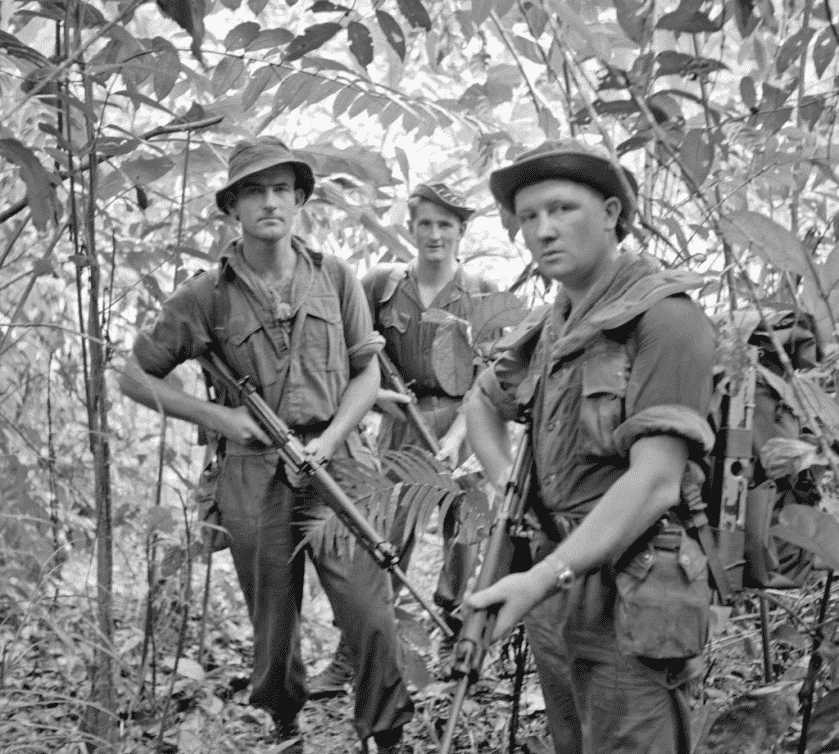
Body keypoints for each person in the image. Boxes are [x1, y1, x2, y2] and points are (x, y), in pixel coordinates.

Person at [118, 137, 413, 754]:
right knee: (273, 622)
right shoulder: (206, 295)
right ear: (233, 207)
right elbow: (133, 375)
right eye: (255, 190)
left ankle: (387, 736)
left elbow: (367, 373)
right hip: (254, 473)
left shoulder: (334, 276)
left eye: (283, 189)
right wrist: (219, 421)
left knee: (371, 609)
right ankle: (285, 723)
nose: (270, 202)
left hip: (340, 464)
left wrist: (330, 440)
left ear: (301, 200)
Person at [464, 140, 717, 754]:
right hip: (558, 582)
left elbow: (655, 480)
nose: (543, 230)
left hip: (635, 591)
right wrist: (508, 491)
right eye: (528, 217)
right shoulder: (555, 324)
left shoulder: (667, 320)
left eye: (562, 209)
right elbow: (481, 403)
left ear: (610, 213)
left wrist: (541, 577)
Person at [308, 183, 497, 697]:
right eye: (426, 224)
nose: (435, 235)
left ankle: (460, 646)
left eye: (446, 226)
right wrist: (377, 402)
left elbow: (490, 381)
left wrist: (457, 438)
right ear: (411, 229)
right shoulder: (382, 285)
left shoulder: (479, 291)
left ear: (461, 232)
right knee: (385, 537)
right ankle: (359, 651)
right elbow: (355, 355)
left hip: (466, 420)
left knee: (467, 535)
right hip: (400, 419)